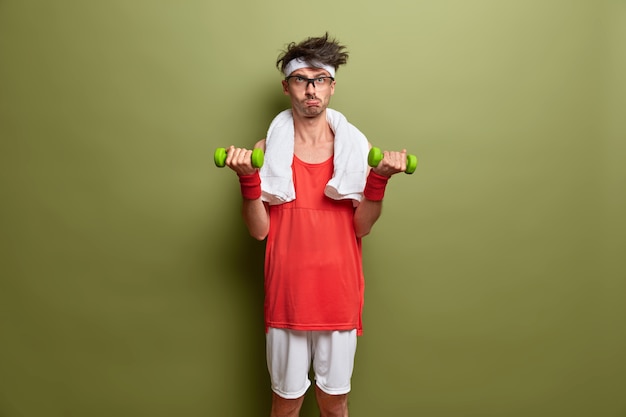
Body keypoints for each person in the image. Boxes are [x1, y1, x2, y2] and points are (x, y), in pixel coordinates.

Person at [223, 33, 407, 417]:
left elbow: (362, 228)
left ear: (332, 86)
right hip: (287, 297)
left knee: (334, 405)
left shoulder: (354, 150)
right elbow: (259, 230)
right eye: (301, 79)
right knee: (286, 406)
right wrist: (247, 179)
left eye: (319, 79)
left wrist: (380, 179)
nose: (311, 89)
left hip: (338, 296)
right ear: (286, 86)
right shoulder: (265, 151)